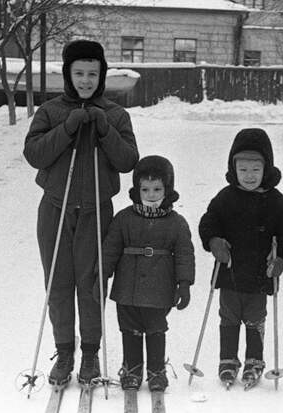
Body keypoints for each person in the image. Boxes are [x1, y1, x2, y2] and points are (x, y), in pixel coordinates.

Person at [23, 39, 139, 385]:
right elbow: (34, 155)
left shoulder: (116, 114)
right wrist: (68, 127)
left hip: (96, 212)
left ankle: (90, 353)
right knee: (59, 285)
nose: (86, 80)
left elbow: (127, 160)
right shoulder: (51, 111)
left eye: (92, 73)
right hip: (56, 211)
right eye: (79, 73)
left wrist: (103, 128)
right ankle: (65, 352)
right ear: (68, 74)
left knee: (90, 285)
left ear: (101, 75)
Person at [198, 128, 283, 386]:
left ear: (266, 168)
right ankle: (228, 360)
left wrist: (282, 260)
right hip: (230, 272)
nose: (249, 176)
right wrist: (213, 241)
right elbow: (208, 222)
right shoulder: (225, 197)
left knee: (255, 320)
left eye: (255, 169)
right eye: (243, 170)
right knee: (229, 319)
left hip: (259, 275)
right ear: (234, 169)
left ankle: (254, 360)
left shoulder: (277, 202)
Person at [94, 155, 195, 393]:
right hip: (127, 287)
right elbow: (109, 249)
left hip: (160, 287)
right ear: (137, 189)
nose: (151, 194)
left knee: (156, 328)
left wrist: (184, 283)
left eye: (158, 188)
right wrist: (102, 275)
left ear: (167, 189)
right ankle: (132, 369)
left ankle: (156, 371)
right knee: (129, 329)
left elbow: (184, 253)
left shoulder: (176, 223)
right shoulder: (124, 219)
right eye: (146, 188)